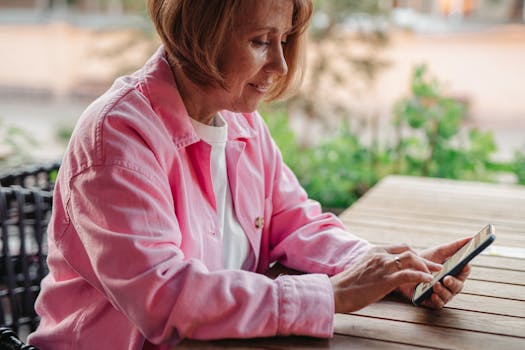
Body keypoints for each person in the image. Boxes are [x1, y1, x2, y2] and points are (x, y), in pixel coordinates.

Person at [28, 0, 471, 349]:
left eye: (285, 40)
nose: (279, 65)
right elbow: (165, 299)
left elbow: (296, 220)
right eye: (261, 41)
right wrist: (332, 294)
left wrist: (384, 269)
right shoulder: (117, 138)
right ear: (198, 33)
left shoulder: (238, 120)